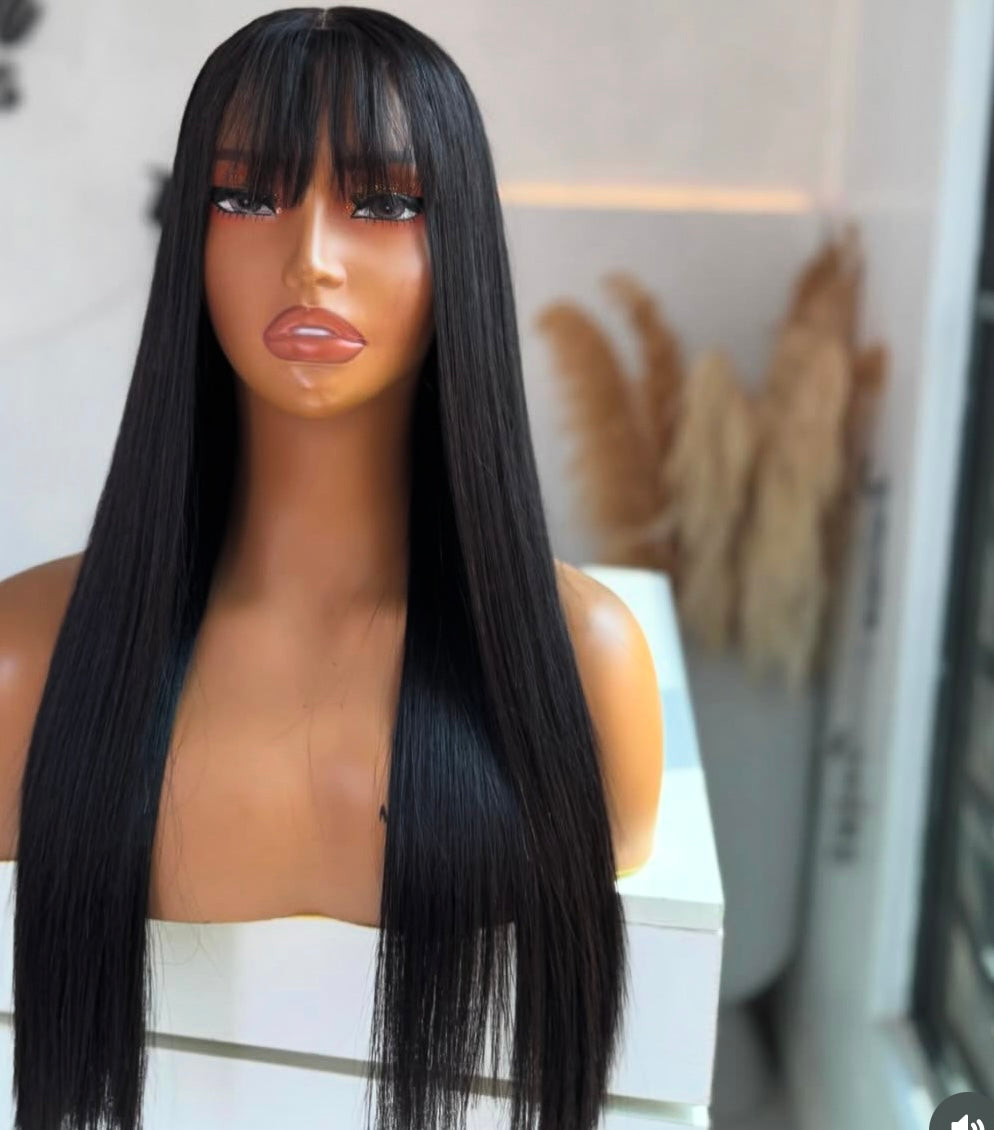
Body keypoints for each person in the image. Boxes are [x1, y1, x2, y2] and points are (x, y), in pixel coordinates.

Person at [0, 7, 663, 1129]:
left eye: (386, 203)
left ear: (459, 245)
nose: (310, 256)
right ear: (190, 236)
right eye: (245, 197)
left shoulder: (584, 671)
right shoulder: (25, 665)